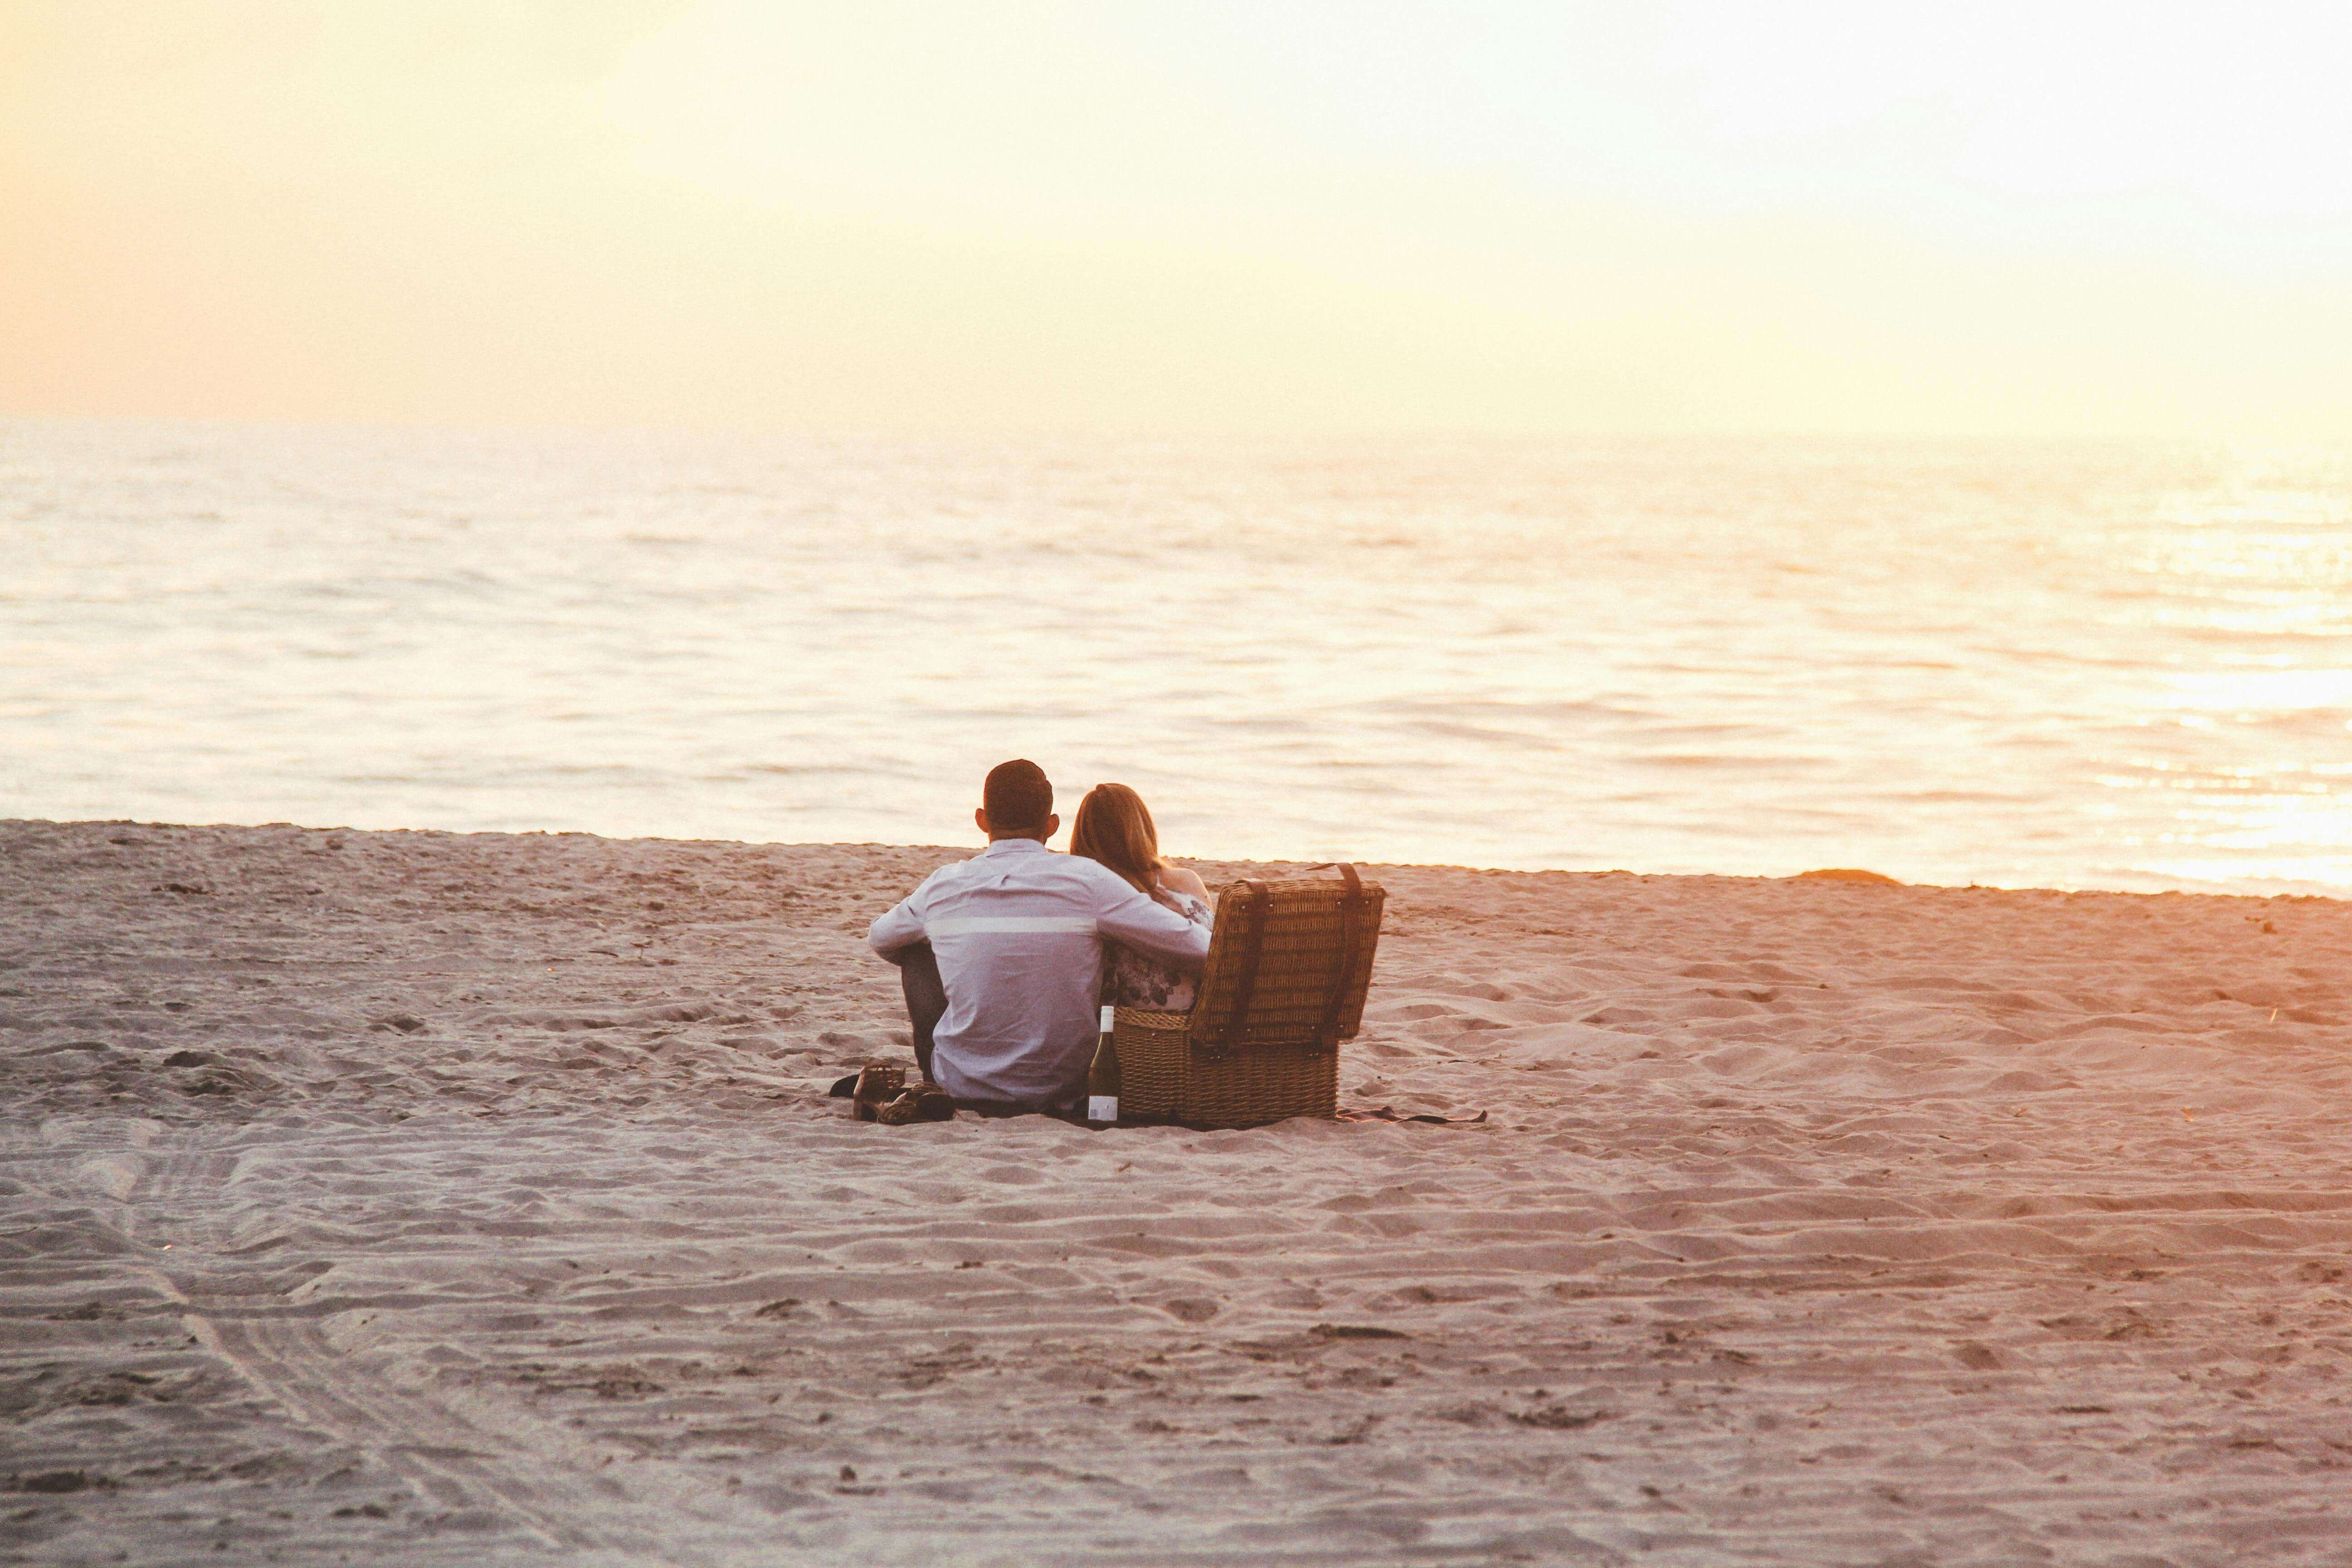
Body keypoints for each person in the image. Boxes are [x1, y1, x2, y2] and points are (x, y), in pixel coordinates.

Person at [866, 760, 1211, 1110]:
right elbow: (1198, 947)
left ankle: (933, 1076)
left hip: (962, 1084)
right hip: (1065, 1087)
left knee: (914, 951)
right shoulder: (1088, 881)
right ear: (1052, 825)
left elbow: (880, 937)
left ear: (982, 820)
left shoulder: (942, 885)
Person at [1068, 783, 1214, 1011]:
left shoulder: (1102, 894)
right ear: (1142, 827)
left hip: (1145, 1026)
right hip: (1213, 1010)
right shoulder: (1188, 880)